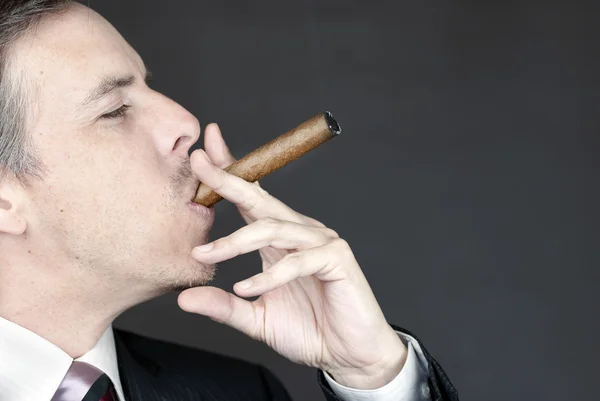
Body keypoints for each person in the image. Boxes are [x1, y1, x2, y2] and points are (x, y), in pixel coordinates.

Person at [0, 1, 458, 400]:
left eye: (149, 86)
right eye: (115, 110)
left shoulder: (242, 392)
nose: (185, 120)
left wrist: (372, 376)